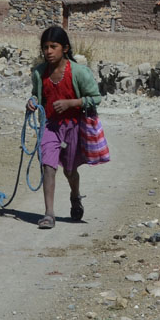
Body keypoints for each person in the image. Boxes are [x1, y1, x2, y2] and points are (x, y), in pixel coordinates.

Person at [26, 25, 102, 229]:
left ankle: (75, 196)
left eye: (53, 46)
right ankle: (49, 214)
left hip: (74, 126)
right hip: (50, 125)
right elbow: (37, 94)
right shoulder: (39, 73)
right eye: (45, 47)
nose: (48, 51)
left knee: (69, 170)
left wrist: (72, 103)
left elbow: (96, 98)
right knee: (48, 167)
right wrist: (32, 102)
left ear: (65, 48)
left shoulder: (79, 72)